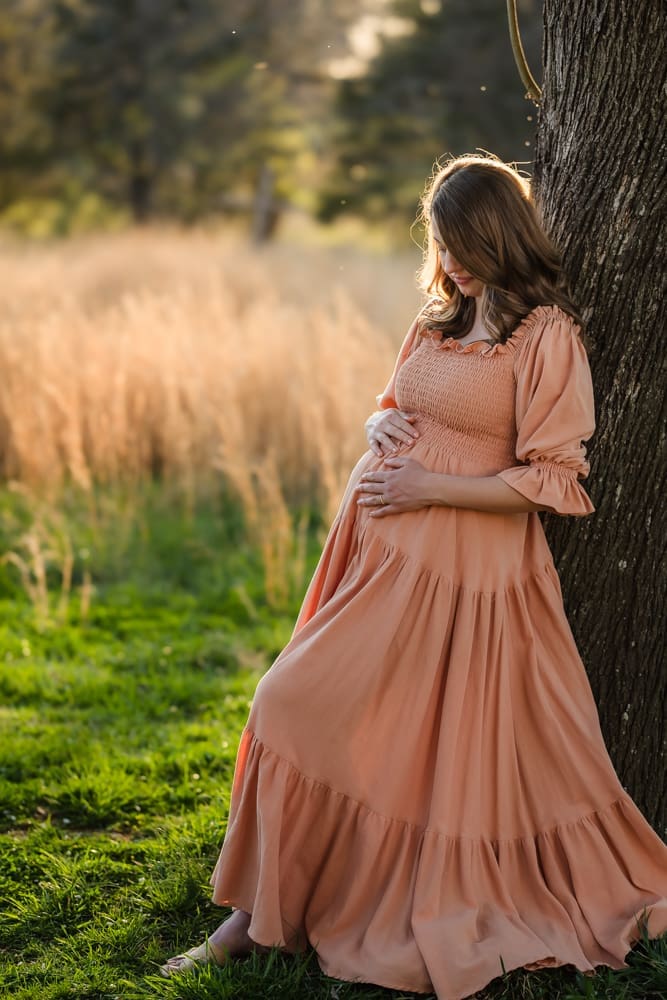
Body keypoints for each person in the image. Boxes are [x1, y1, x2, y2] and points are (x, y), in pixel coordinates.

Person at [161, 154, 667, 998]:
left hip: (464, 579)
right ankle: (254, 917)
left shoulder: (545, 337)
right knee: (289, 703)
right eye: (441, 243)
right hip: (376, 559)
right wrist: (376, 424)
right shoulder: (438, 320)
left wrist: (432, 484)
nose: (452, 260)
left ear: (501, 234)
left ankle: (291, 916)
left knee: (398, 742)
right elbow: (395, 403)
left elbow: (554, 480)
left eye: (464, 242)